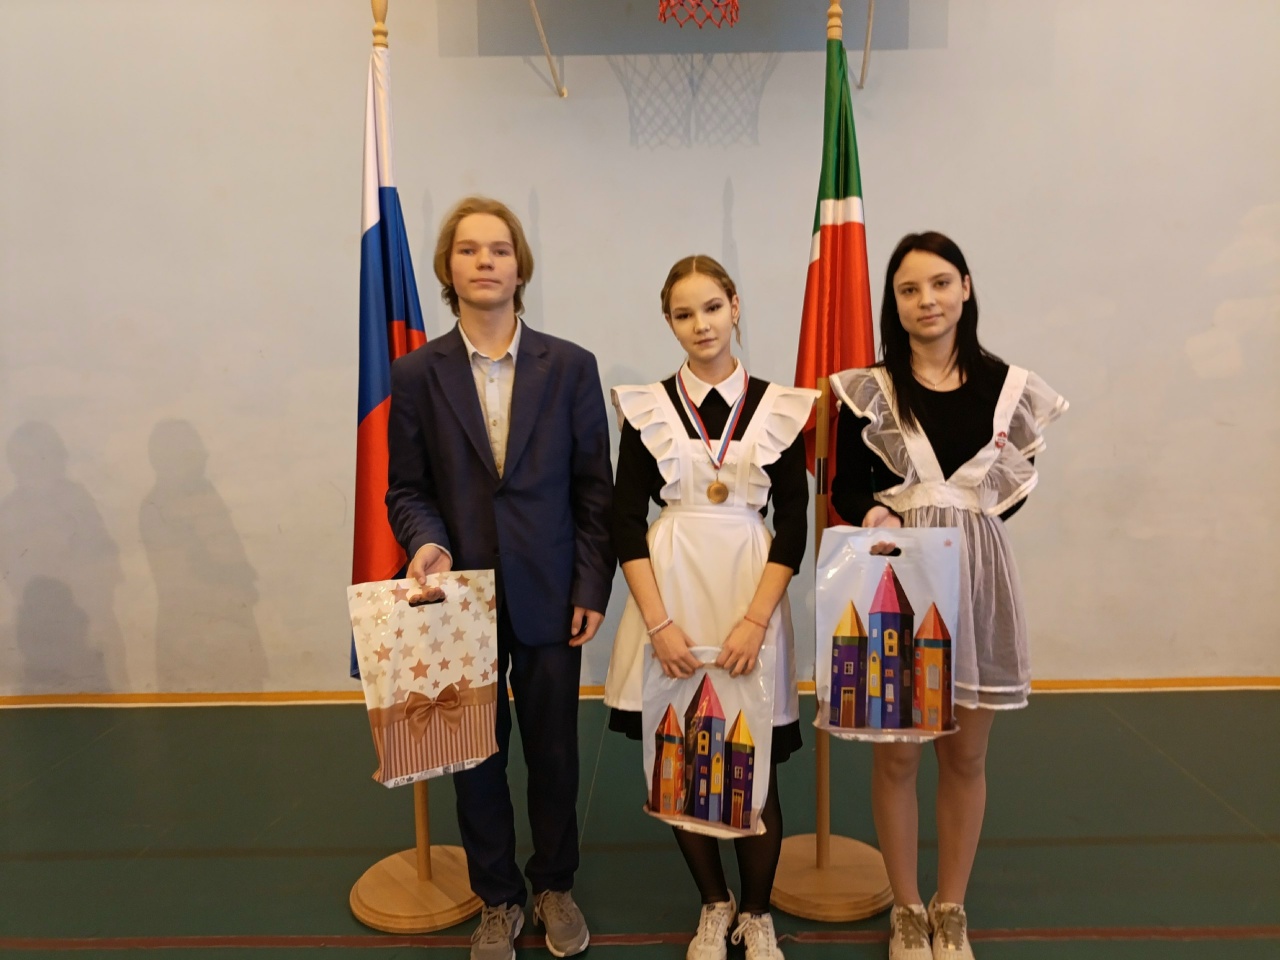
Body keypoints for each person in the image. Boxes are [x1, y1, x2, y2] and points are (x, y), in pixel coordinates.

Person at [385, 196, 615, 960]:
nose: (485, 261)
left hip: (552, 595)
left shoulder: (571, 366)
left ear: (521, 267)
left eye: (499, 249)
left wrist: (590, 587)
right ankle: (497, 898)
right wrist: (426, 544)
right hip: (459, 602)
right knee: (474, 758)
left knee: (554, 753)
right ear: (447, 269)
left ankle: (554, 884)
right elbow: (407, 489)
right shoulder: (416, 374)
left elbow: (595, 489)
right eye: (468, 249)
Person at [830, 232, 1067, 960]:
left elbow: (1011, 495)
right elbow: (845, 489)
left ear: (965, 287)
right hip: (897, 583)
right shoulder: (869, 391)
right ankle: (906, 908)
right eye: (909, 290)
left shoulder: (1011, 388)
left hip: (978, 581)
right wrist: (881, 515)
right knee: (898, 758)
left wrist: (959, 527)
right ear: (893, 303)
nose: (926, 300)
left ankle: (951, 904)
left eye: (939, 283)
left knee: (965, 757)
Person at [604, 255, 817, 960]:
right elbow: (624, 522)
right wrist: (658, 626)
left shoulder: (779, 406)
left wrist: (757, 621)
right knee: (680, 753)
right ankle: (713, 903)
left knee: (753, 758)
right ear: (669, 322)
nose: (701, 324)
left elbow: (794, 524)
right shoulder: (647, 407)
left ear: (735, 306)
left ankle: (756, 913)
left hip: (749, 594)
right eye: (684, 313)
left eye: (713, 307)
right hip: (670, 596)